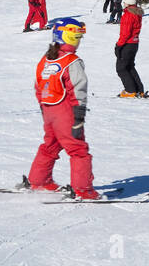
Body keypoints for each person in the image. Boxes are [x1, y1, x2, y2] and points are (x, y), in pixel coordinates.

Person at [27, 18, 100, 200]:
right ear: (65, 36)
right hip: (65, 111)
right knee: (78, 149)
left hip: (49, 110)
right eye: (75, 38)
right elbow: (78, 88)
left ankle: (39, 180)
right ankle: (83, 190)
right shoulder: (71, 61)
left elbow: (38, 86)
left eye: (79, 38)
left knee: (50, 145)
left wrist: (44, 108)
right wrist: (79, 115)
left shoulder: (46, 59)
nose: (77, 42)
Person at [115, 0, 146, 98]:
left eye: (124, 3)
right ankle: (139, 89)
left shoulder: (128, 15)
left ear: (127, 3)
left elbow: (125, 33)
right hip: (134, 43)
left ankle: (130, 90)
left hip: (127, 44)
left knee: (121, 68)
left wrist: (118, 46)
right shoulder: (137, 13)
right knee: (129, 66)